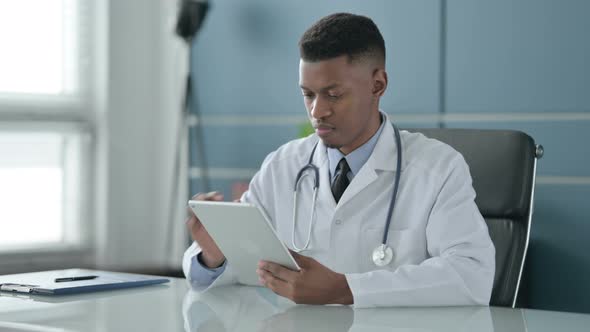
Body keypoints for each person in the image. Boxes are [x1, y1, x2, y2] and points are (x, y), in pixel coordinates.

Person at [183, 13, 495, 308]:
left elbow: (471, 277)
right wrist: (214, 255)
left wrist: (346, 289)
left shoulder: (438, 167)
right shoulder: (284, 165)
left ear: (378, 85)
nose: (317, 111)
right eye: (308, 95)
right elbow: (251, 268)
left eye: (333, 94)